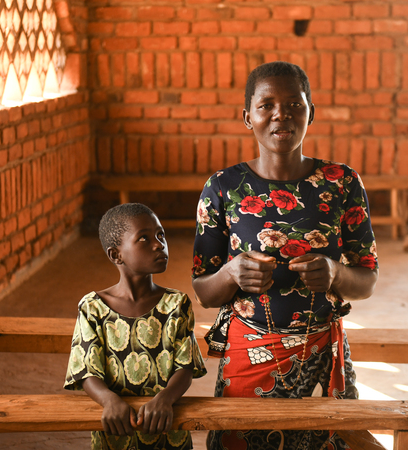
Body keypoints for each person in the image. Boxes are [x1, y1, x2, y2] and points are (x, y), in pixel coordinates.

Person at [192, 61, 379, 450]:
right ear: (248, 117)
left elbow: (366, 280)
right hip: (249, 356)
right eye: (267, 105)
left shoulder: (341, 182)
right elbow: (205, 292)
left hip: (322, 357)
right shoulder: (223, 188)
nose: (282, 114)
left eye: (295, 104)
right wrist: (230, 275)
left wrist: (335, 273)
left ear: (312, 112)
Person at [64, 203, 207, 450]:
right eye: (144, 238)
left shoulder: (176, 304)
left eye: (160, 235)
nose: (159, 244)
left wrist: (165, 400)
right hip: (116, 430)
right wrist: (109, 401)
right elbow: (86, 371)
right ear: (116, 255)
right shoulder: (93, 308)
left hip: (166, 430)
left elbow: (185, 367)